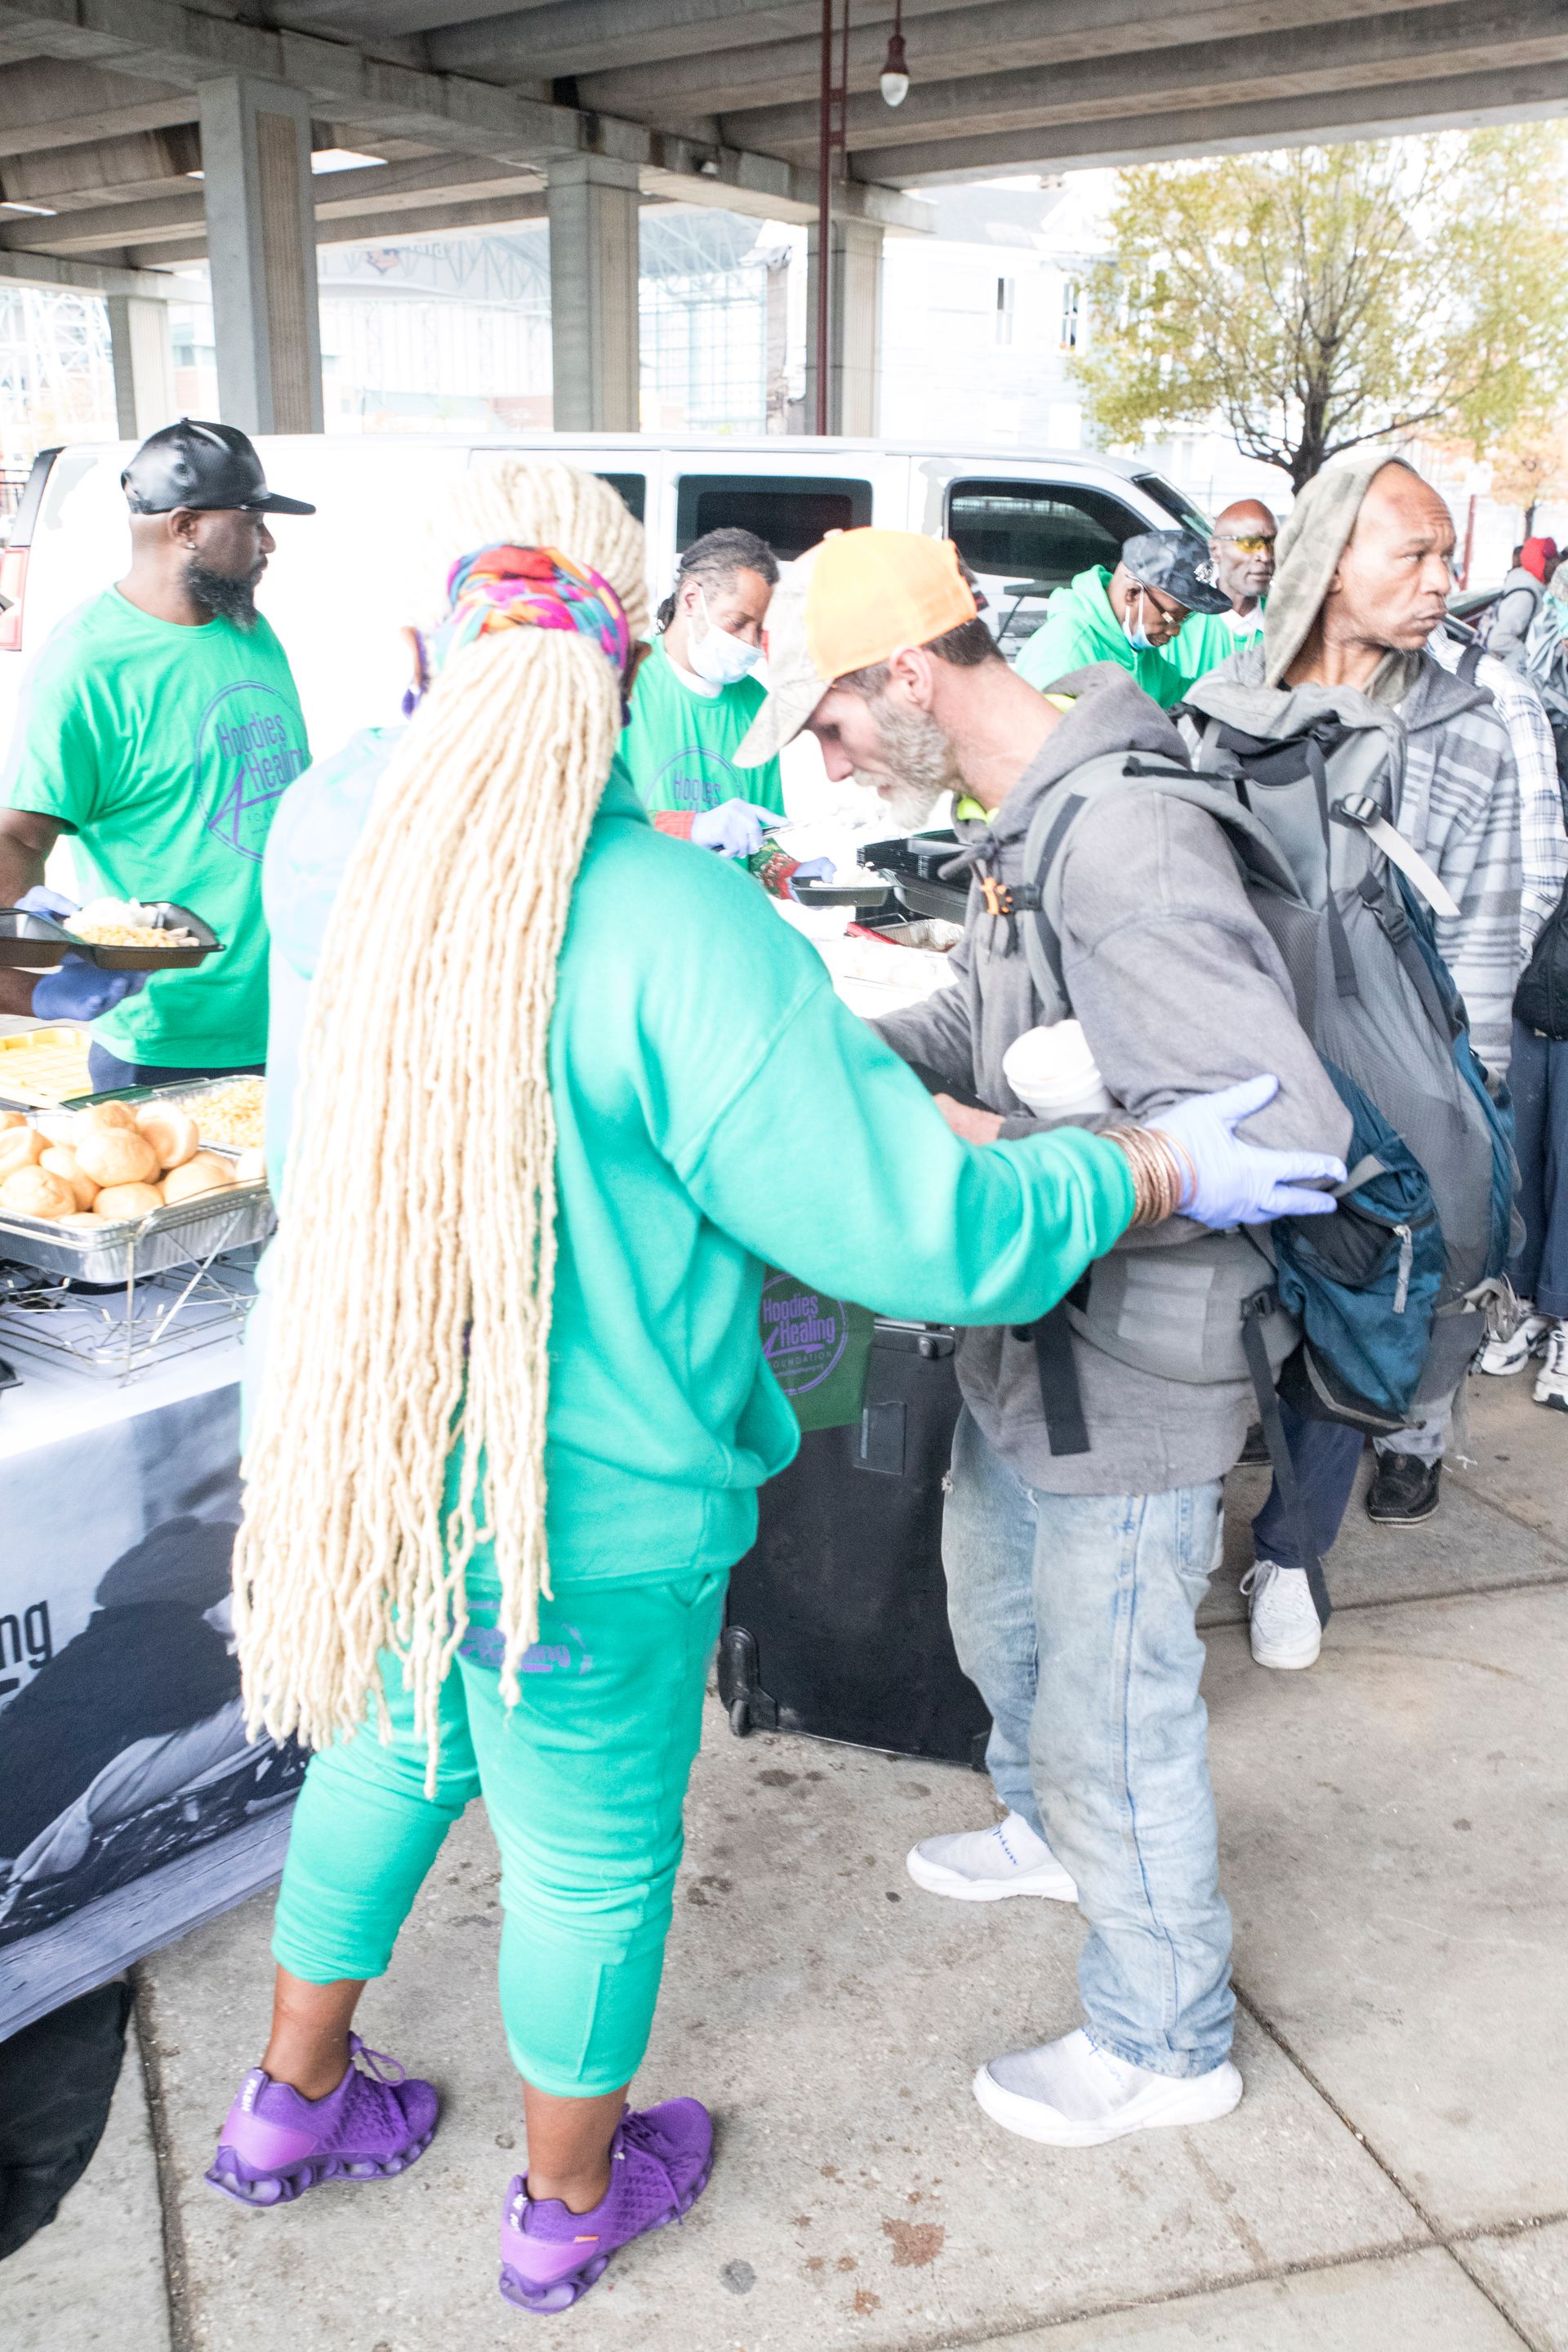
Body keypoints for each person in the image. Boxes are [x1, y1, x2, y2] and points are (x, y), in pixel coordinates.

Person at [212, 471, 1334, 2302]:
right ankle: (569, 2207)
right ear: (629, 665)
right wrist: (1145, 1172)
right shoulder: (670, 922)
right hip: (573, 1502)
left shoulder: (336, 831)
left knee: (391, 1747)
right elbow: (924, 1237)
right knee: (583, 1855)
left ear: (438, 642)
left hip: (357, 1446)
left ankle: (287, 2101)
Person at [737, 527, 1349, 2149]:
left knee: (1117, 1713)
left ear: (907, 676)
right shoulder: (1034, 814)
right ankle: (1046, 1825)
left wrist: (1002, 1141)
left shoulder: (1127, 835)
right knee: (994, 1610)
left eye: (832, 720)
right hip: (1040, 1326)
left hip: (1138, 1355)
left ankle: (1165, 2040)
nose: (829, 756)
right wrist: (827, 1050)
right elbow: (996, 1030)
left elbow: (1281, 1129)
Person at [1217, 456, 1523, 1668]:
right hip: (1238, 1065)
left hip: (1399, 1097)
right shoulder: (1223, 703)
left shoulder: (1470, 728)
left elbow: (1497, 928)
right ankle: (1187, 1516)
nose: (1447, 581)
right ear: (1331, 559)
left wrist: (1473, 1108)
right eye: (1418, 554)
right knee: (1210, 1310)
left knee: (1362, 1320)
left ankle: (1292, 1553)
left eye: (1451, 556)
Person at [0, 418, 313, 1090]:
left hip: (294, 1021)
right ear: (186, 527)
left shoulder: (251, 631)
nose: (269, 541)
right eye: (252, 521)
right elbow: (17, 838)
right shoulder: (86, 667)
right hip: (167, 1044)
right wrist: (45, 959)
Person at [612, 527, 814, 898]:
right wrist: (689, 827)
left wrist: (792, 876)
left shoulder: (756, 706)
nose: (750, 644)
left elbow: (758, 845)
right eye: (737, 623)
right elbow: (585, 828)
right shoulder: (620, 682)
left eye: (759, 630)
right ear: (691, 599)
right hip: (631, 914)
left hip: (718, 917)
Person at [1013, 527, 1231, 707]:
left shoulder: (1138, 650)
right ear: (1133, 594)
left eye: (1185, 618)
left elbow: (1181, 695)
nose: (1175, 630)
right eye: (1171, 617)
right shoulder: (1064, 652)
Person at [1174, 498, 1276, 675]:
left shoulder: (1290, 626)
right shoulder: (1179, 628)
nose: (1265, 556)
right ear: (1216, 550)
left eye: (1274, 543)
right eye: (1250, 543)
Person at [1485, 536, 1559, 676]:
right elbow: (1497, 640)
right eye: (1552, 559)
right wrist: (1531, 653)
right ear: (1540, 561)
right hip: (1511, 674)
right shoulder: (1525, 596)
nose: (1556, 565)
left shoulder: (1530, 586)